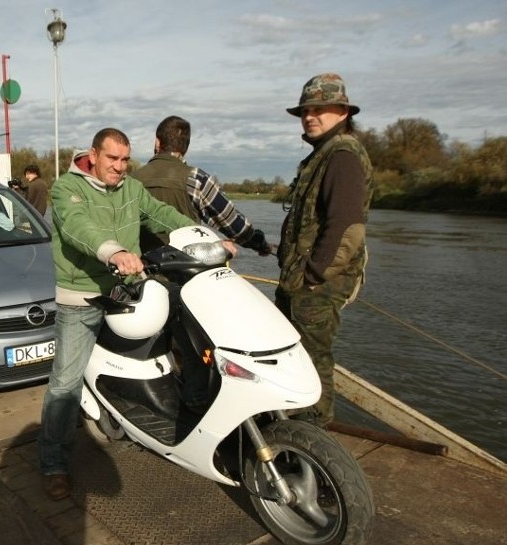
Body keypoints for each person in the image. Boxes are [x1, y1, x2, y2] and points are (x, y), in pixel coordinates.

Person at [38, 127, 237, 501]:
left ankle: (185, 411)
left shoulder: (131, 188)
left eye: (125, 159)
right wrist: (114, 252)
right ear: (93, 155)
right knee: (65, 382)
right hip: (82, 297)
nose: (119, 166)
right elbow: (81, 230)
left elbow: (161, 215)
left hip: (128, 291)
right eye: (112, 159)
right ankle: (53, 463)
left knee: (184, 328)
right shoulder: (67, 189)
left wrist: (208, 237)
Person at [133, 115, 274, 410]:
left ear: (156, 142)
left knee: (153, 345)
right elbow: (235, 226)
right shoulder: (196, 179)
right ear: (185, 147)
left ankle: (154, 400)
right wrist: (260, 244)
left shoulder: (132, 181)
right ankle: (196, 405)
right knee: (197, 347)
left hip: (144, 282)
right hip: (188, 282)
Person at [275, 73, 374, 427]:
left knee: (312, 360)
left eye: (320, 109)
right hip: (302, 280)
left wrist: (313, 277)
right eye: (305, 110)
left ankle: (313, 440)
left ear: (343, 111)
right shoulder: (324, 153)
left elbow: (346, 228)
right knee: (297, 358)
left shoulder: (343, 155)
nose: (310, 116)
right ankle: (296, 432)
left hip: (315, 285)